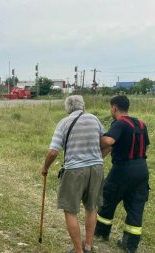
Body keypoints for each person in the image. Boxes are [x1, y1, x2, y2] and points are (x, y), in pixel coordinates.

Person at [41, 95, 105, 253]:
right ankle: (88, 246)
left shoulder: (64, 123)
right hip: (97, 168)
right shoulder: (94, 119)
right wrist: (98, 157)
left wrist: (45, 167)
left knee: (70, 210)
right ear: (83, 106)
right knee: (91, 207)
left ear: (67, 108)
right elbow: (107, 142)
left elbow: (53, 152)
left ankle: (78, 251)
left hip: (74, 170)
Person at [95, 95, 150, 253]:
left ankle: (102, 233)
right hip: (142, 169)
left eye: (110, 108)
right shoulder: (141, 123)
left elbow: (109, 141)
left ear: (114, 107)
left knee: (107, 198)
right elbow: (146, 146)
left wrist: (95, 140)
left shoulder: (120, 123)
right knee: (136, 206)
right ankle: (130, 244)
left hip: (122, 169)